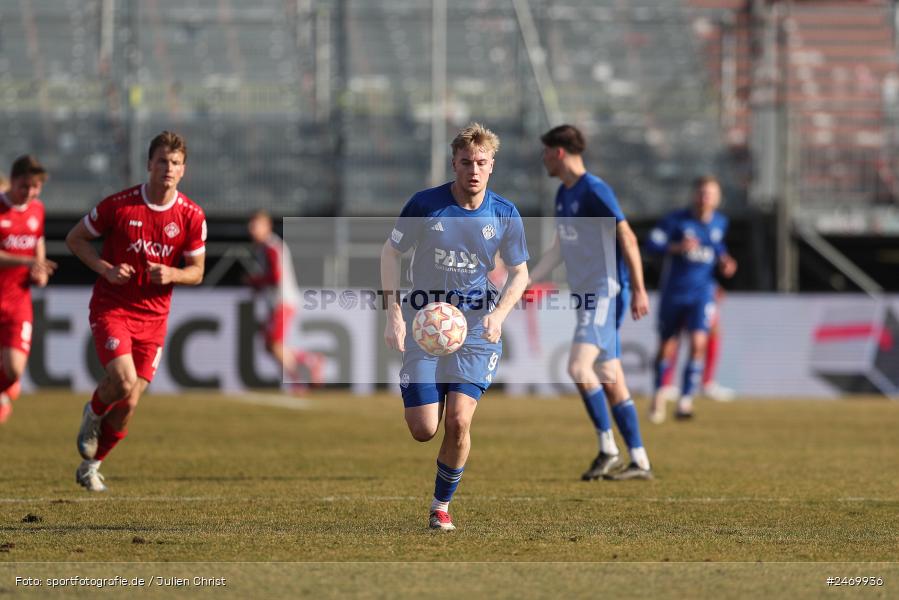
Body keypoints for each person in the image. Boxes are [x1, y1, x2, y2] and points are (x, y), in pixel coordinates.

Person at [381, 123, 529, 531]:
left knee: (459, 420)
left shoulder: (503, 213)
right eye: (466, 163)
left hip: (477, 330)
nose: (474, 170)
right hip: (426, 325)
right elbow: (390, 254)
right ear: (454, 164)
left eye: (481, 163)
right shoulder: (425, 205)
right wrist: (393, 312)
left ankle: (440, 506)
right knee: (424, 429)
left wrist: (498, 316)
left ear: (492, 165)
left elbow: (520, 274)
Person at [66, 131, 207, 491]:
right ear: (149, 164)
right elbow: (75, 239)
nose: (168, 168)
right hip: (113, 307)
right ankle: (94, 411)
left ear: (183, 170)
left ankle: (92, 466)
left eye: (175, 163)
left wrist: (174, 272)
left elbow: (197, 271)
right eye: (162, 161)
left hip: (154, 319)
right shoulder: (121, 205)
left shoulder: (191, 216)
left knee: (129, 404)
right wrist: (105, 270)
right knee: (123, 380)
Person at [529, 124, 653, 481]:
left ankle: (608, 449)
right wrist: (528, 279)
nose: (543, 159)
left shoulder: (595, 190)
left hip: (605, 291)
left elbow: (627, 237)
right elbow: (558, 249)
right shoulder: (563, 194)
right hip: (587, 296)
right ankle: (640, 460)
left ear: (559, 153)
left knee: (578, 367)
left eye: (545, 152)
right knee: (610, 376)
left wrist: (640, 288)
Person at [646, 175, 737, 423]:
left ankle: (685, 401)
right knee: (667, 345)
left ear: (717, 198)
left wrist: (725, 261)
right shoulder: (675, 221)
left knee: (698, 343)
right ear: (694, 195)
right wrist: (676, 247)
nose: (705, 197)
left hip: (702, 292)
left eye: (710, 193)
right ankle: (658, 394)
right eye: (702, 192)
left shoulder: (720, 222)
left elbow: (717, 248)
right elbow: (651, 244)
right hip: (674, 292)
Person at [0, 156, 57, 424]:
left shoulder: (37, 210)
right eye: (25, 186)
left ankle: (4, 392)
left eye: (36, 187)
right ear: (13, 180)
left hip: (18, 301)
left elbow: (38, 246)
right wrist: (26, 261)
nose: (30, 192)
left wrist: (40, 272)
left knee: (14, 369)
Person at [245, 210, 323, 391]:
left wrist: (255, 281)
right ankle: (309, 361)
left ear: (267, 226)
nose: (252, 230)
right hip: (276, 302)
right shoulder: (264, 248)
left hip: (282, 301)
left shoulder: (271, 247)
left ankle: (297, 381)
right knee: (269, 345)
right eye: (251, 226)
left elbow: (275, 277)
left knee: (274, 344)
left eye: (256, 225)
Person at [657, 285, 735, 402]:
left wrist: (715, 285)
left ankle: (707, 383)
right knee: (673, 336)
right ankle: (665, 385)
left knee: (713, 330)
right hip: (681, 290)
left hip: (702, 292)